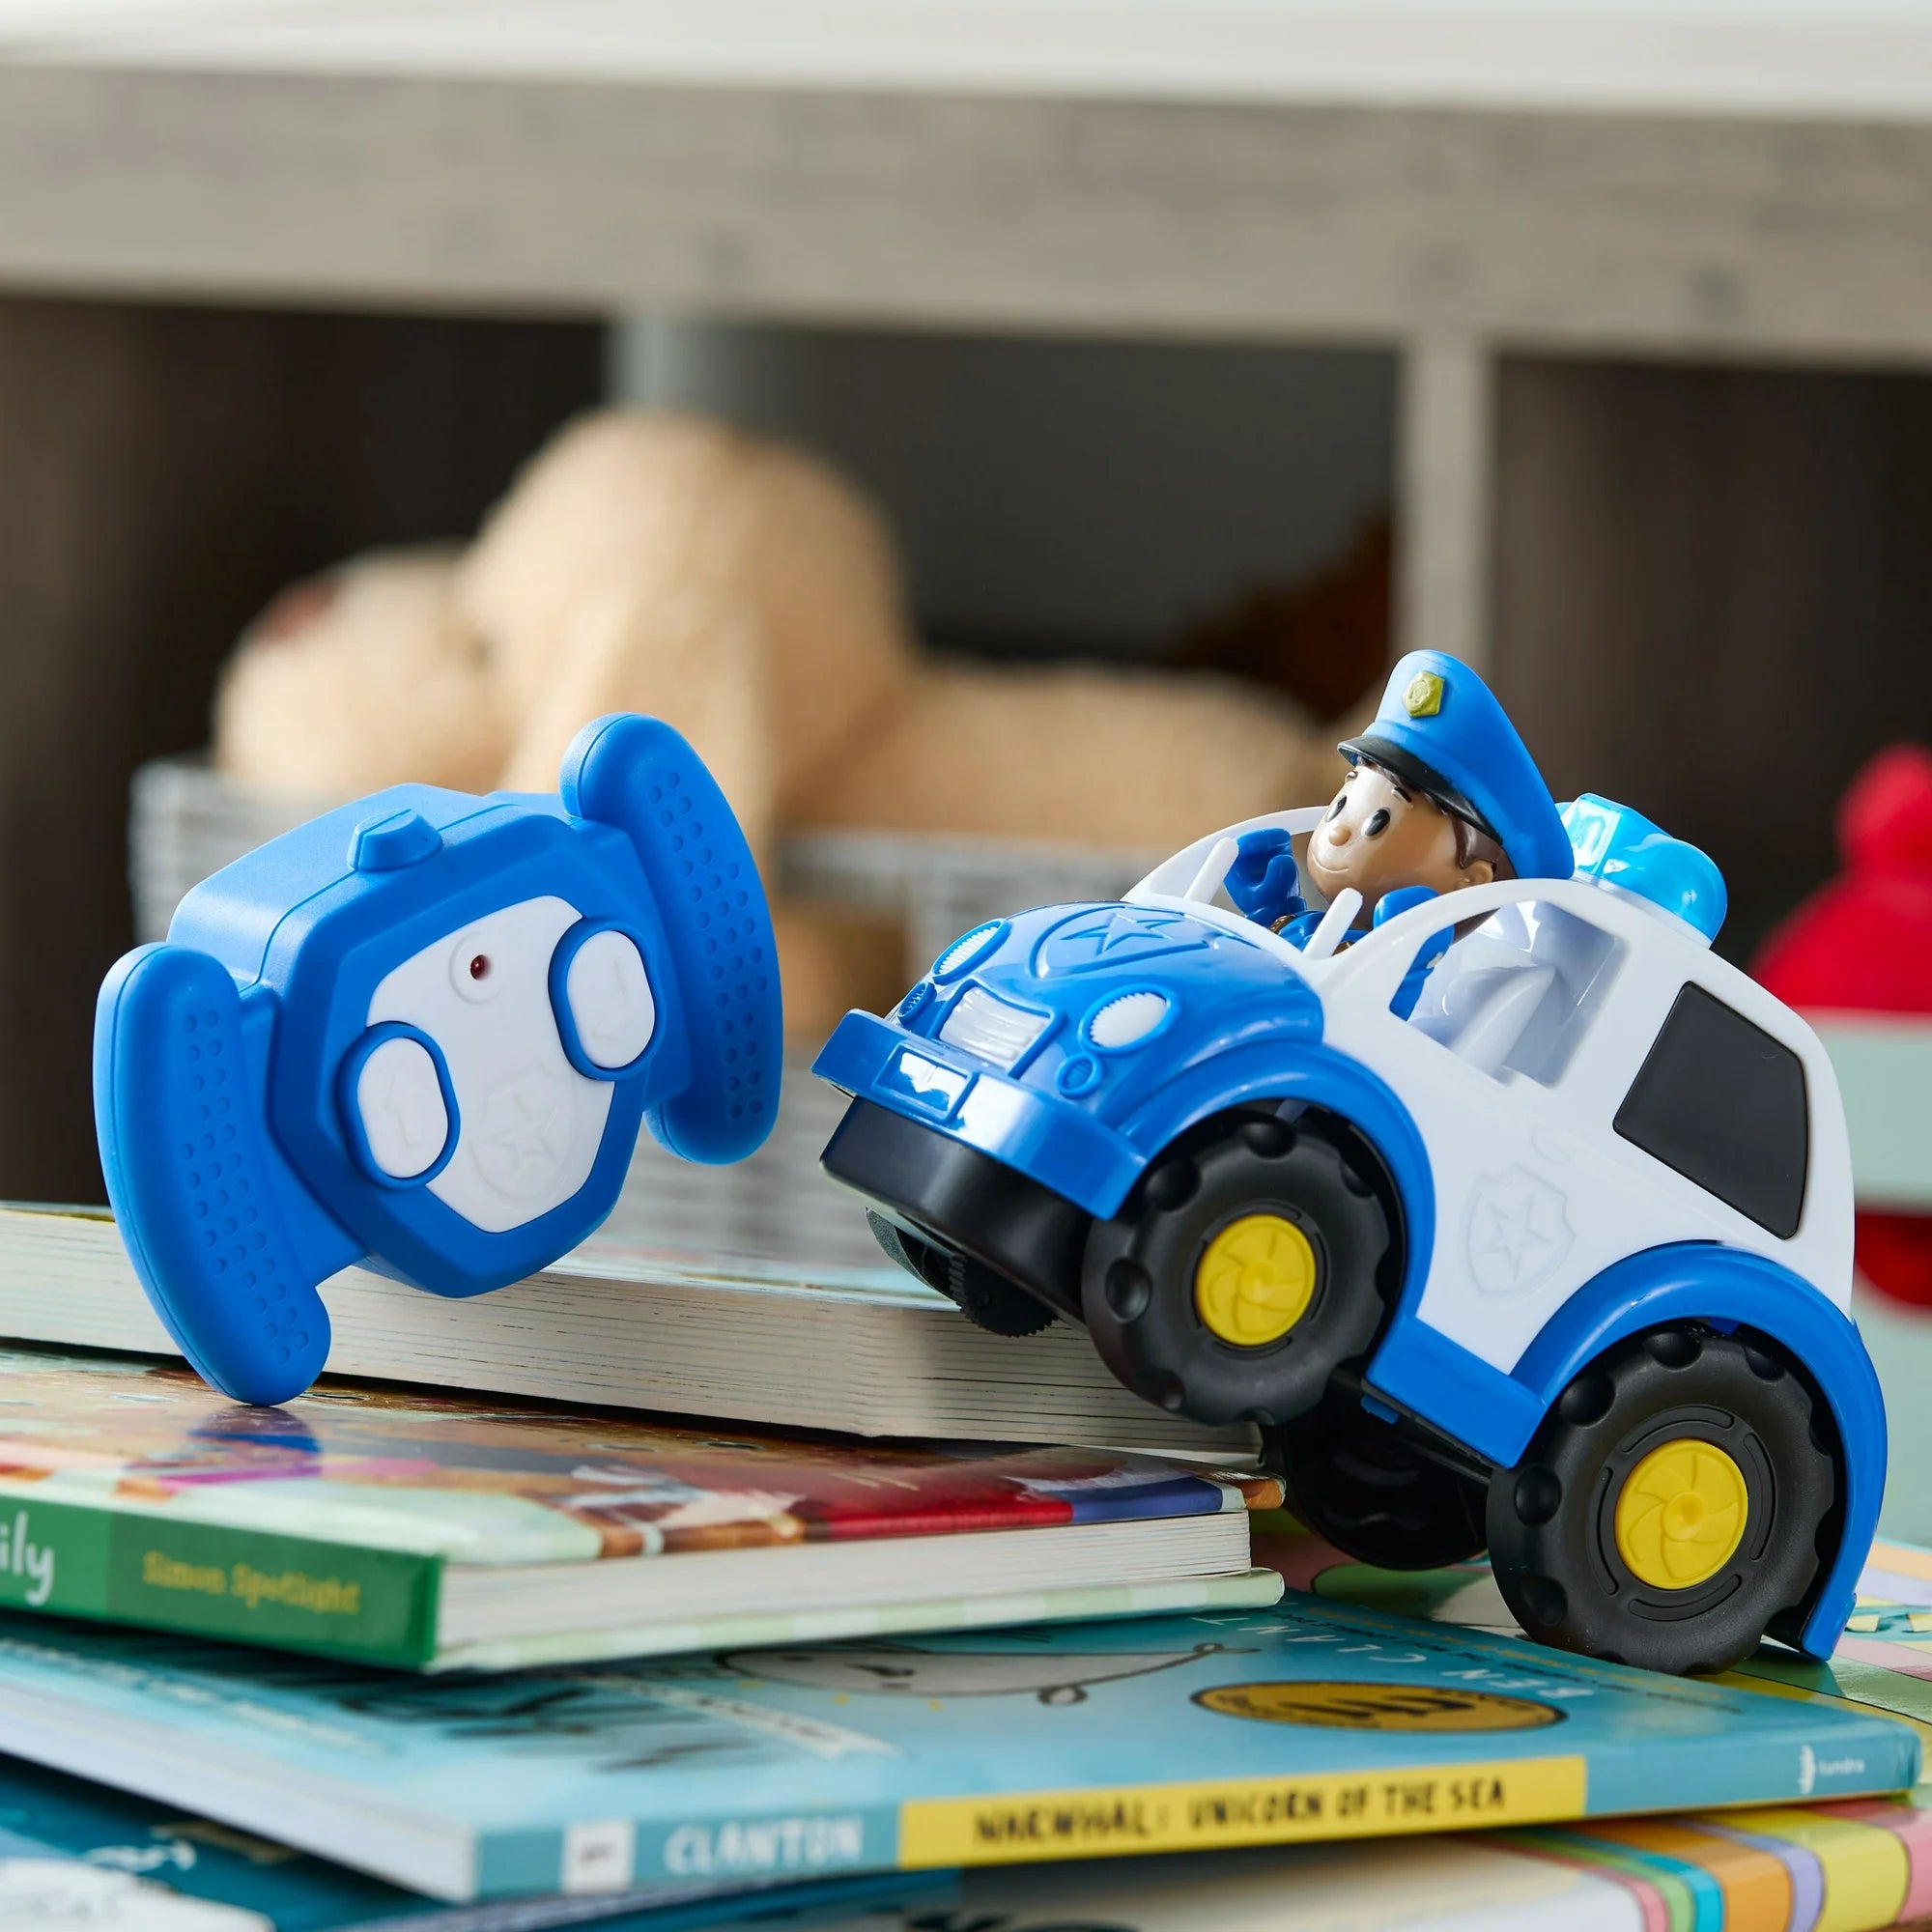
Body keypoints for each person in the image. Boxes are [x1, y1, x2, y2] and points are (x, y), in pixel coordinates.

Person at [1225, 652, 1573, 998]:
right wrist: (1274, 909)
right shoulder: (1327, 933)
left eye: (1377, 822)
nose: (1338, 832)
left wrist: (1405, 948)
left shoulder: (1384, 974)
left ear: (1471, 880)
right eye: (1342, 805)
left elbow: (1360, 1008)